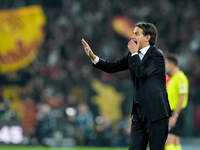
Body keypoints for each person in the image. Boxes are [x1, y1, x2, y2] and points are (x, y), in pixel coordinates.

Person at [81, 22, 171, 150]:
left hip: (156, 111)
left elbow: (142, 73)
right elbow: (111, 67)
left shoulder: (157, 55)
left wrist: (134, 54)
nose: (132, 36)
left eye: (137, 33)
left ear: (147, 37)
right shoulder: (132, 56)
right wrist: (93, 57)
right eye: (133, 33)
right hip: (139, 111)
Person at [165, 54, 189, 150]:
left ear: (171, 64)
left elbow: (182, 97)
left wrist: (174, 116)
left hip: (176, 112)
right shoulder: (173, 78)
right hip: (173, 112)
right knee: (175, 142)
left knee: (168, 141)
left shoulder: (180, 78)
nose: (165, 66)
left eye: (166, 64)